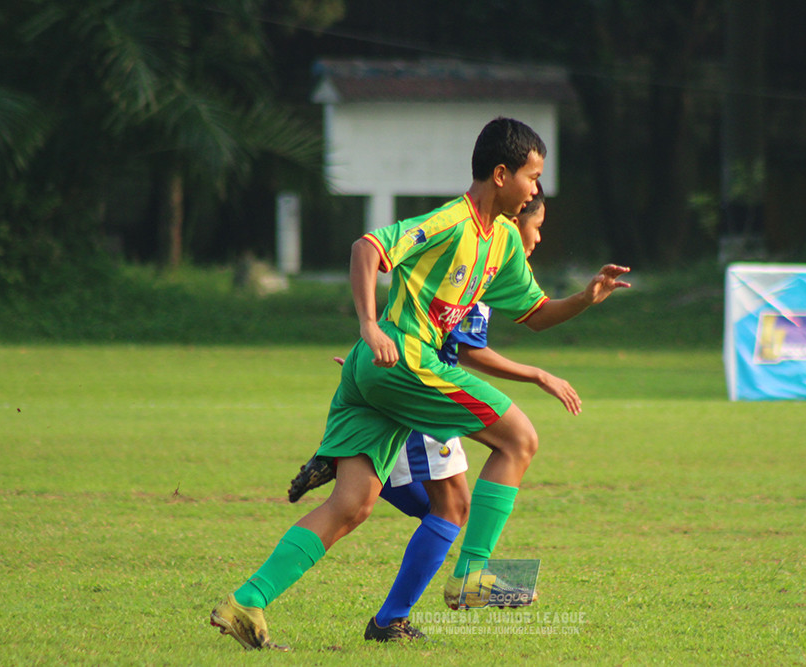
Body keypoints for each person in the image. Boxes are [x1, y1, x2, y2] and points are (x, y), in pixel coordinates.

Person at [209, 117, 630, 650]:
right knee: (519, 438)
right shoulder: (452, 220)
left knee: (353, 502)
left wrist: (585, 300)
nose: (536, 189)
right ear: (501, 174)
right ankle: (471, 576)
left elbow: (538, 313)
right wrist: (367, 322)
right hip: (403, 358)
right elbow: (369, 247)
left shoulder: (500, 239)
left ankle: (247, 601)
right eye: (532, 175)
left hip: (374, 371)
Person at [289, 186, 577, 641]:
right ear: (515, 215)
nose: (538, 239)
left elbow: (471, 341)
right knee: (448, 506)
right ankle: (411, 607)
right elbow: (457, 347)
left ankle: (396, 612)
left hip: (419, 379)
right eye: (537, 227)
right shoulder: (470, 243)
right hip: (421, 384)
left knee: (445, 508)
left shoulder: (490, 268)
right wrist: (536, 374)